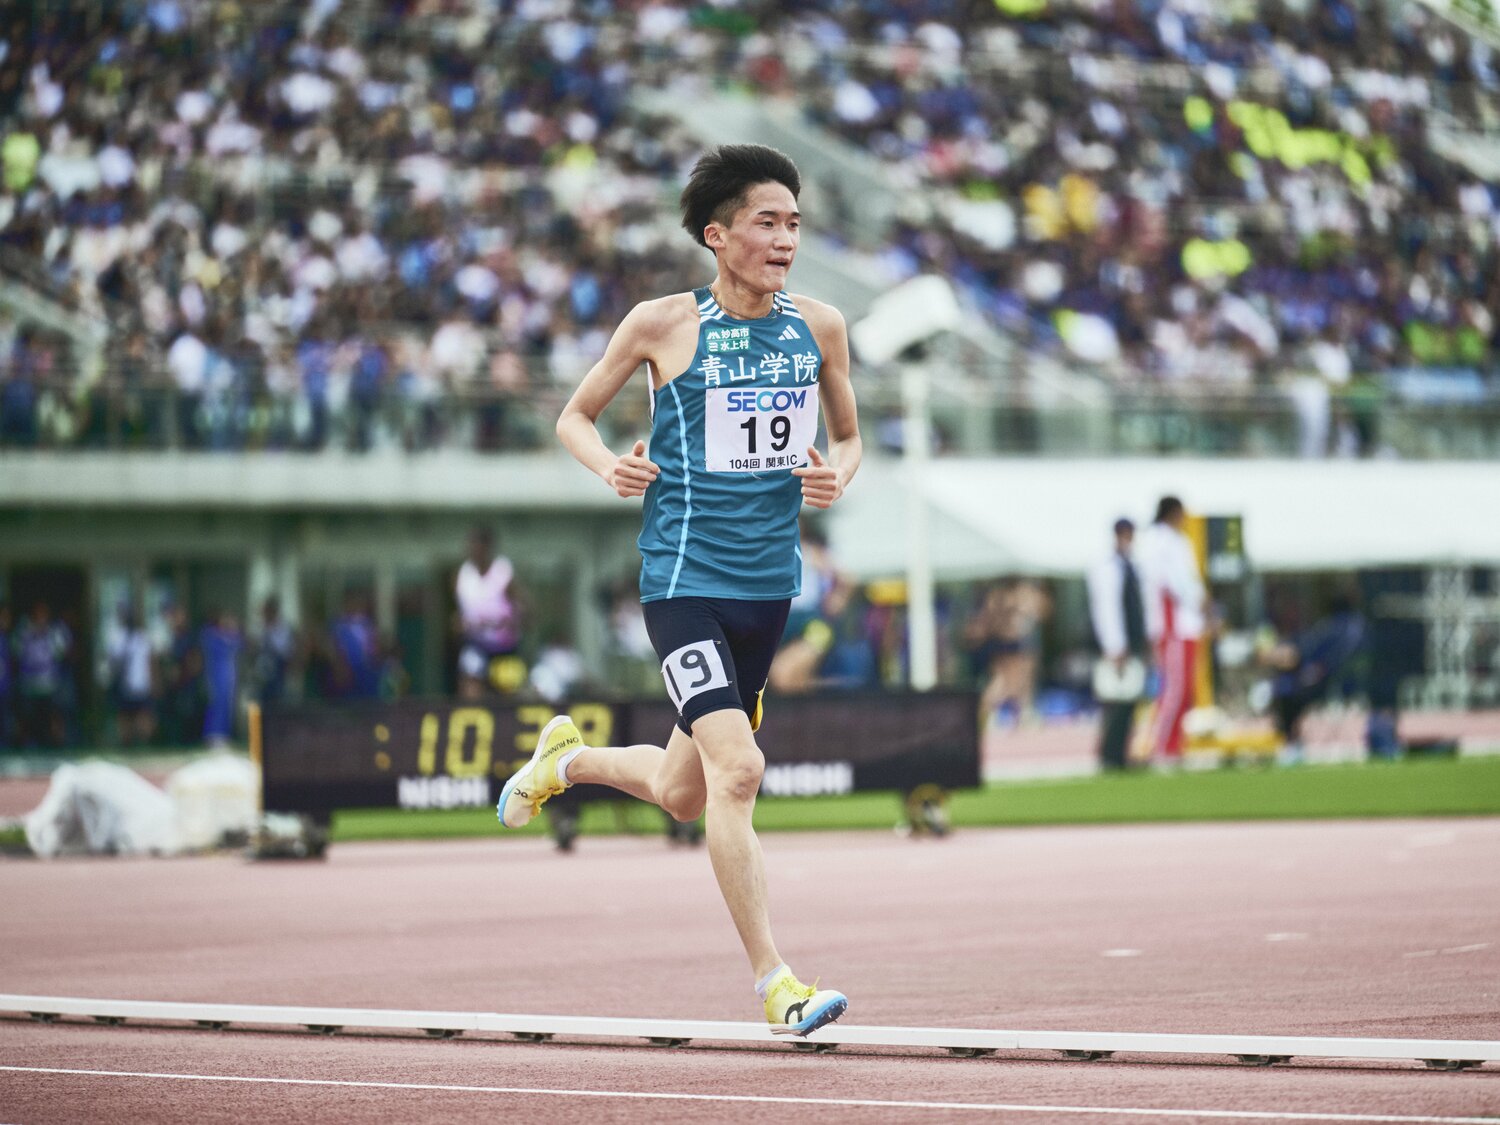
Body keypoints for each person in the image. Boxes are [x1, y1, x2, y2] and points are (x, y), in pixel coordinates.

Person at [500, 145, 861, 1037]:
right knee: (738, 770)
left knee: (683, 789)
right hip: (682, 583)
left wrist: (837, 475)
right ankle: (777, 983)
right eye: (767, 222)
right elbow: (573, 415)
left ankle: (565, 762)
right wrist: (609, 464)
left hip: (768, 590)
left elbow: (849, 438)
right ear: (718, 235)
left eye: (794, 223)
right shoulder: (663, 324)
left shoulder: (820, 327)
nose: (785, 240)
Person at [1136, 496, 1207, 765]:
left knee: (1185, 689)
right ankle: (1163, 746)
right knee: (1174, 689)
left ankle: (1175, 744)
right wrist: (1199, 602)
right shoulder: (1160, 541)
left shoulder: (1175, 541)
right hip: (1173, 625)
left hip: (1184, 624)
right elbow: (1175, 582)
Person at [1262, 591, 1366, 763]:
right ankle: (1291, 742)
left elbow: (1302, 656)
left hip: (1325, 682)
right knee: (1286, 691)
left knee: (1287, 694)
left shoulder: (1333, 629)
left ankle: (1291, 743)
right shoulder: (1348, 628)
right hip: (1331, 680)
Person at [1086, 519, 1150, 771]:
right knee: (1114, 701)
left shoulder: (1131, 566)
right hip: (1117, 646)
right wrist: (1115, 645)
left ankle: (1120, 752)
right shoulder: (1108, 567)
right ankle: (1110, 755)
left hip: (1131, 642)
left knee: (1129, 700)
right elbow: (1107, 608)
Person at [454, 527, 523, 699]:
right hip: (477, 645)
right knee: (470, 678)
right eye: (470, 545)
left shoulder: (502, 572)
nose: (472, 550)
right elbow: (458, 617)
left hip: (504, 647)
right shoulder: (464, 575)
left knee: (507, 691)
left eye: (476, 545)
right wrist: (459, 624)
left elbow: (524, 608)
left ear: (487, 547)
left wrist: (508, 621)